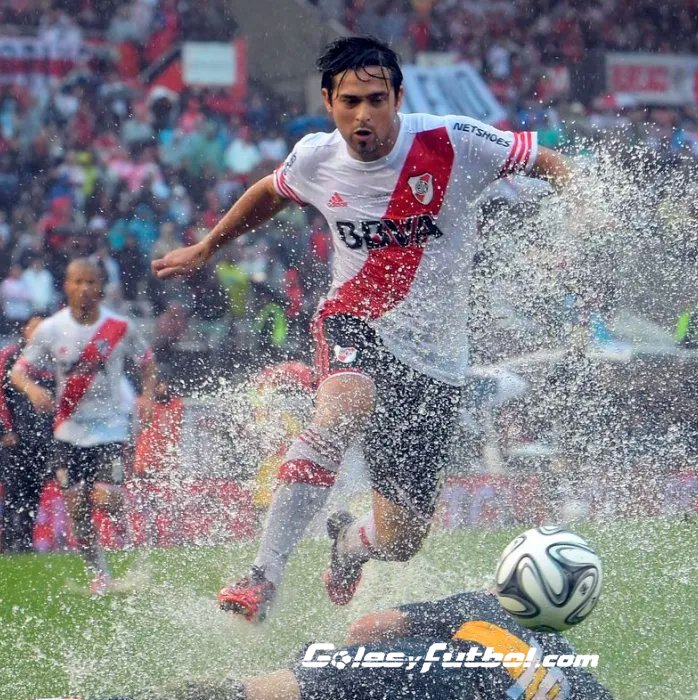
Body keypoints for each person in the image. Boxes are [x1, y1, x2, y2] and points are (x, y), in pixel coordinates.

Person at [152, 35, 573, 620]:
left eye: (376, 100)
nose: (363, 115)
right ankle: (263, 574)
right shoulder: (315, 157)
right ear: (329, 102)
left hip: (437, 362)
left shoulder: (454, 139)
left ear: (398, 97)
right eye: (349, 101)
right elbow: (271, 192)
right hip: (356, 318)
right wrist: (208, 245)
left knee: (401, 540)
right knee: (342, 408)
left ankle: (350, 544)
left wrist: (581, 212)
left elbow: (545, 161)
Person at [84, 535, 613, 700]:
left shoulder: (477, 607)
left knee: (264, 690)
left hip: (426, 675)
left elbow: (367, 629)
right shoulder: (580, 678)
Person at [10, 258, 156, 594]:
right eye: (78, 282)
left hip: (110, 428)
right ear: (67, 286)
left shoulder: (119, 326)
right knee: (77, 509)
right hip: (69, 431)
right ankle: (99, 574)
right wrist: (33, 390)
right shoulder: (51, 329)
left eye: (91, 282)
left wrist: (147, 397)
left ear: (101, 287)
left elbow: (147, 362)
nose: (85, 288)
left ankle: (135, 545)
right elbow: (18, 371)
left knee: (106, 499)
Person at [0, 314, 54, 552]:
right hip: (14, 439)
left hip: (42, 439)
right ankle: (8, 542)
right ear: (24, 330)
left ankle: (25, 543)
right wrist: (5, 430)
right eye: (34, 327)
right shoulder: (10, 356)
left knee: (34, 492)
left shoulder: (53, 359)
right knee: (13, 492)